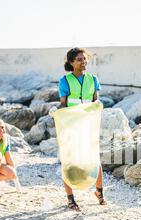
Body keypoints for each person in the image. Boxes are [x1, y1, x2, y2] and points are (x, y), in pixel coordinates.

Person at [57, 47, 106, 211]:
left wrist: (99, 106)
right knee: (69, 161)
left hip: (88, 126)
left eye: (84, 59)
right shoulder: (65, 81)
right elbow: (63, 104)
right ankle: (70, 199)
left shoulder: (93, 79)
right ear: (71, 62)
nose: (83, 62)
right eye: (79, 59)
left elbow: (95, 102)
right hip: (71, 126)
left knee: (94, 159)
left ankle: (99, 193)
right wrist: (58, 116)